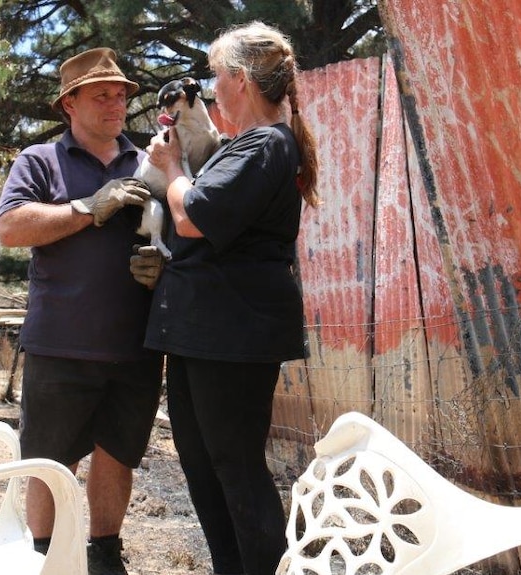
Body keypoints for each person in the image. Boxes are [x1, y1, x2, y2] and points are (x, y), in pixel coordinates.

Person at [130, 21, 319, 575]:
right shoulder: (248, 145)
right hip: (203, 329)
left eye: (216, 76)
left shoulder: (266, 145)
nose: (212, 87)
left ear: (239, 79)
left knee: (235, 467)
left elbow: (193, 216)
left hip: (233, 333)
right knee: (202, 463)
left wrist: (168, 169)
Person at [0, 47, 164, 575]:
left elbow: (177, 233)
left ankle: (105, 555)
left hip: (135, 345)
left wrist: (165, 264)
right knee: (51, 462)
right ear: (69, 103)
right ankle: (44, 557)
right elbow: (12, 228)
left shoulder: (148, 163)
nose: (116, 104)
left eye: (121, 95)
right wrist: (88, 207)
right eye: (101, 95)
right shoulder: (40, 160)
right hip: (60, 344)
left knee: (118, 456)